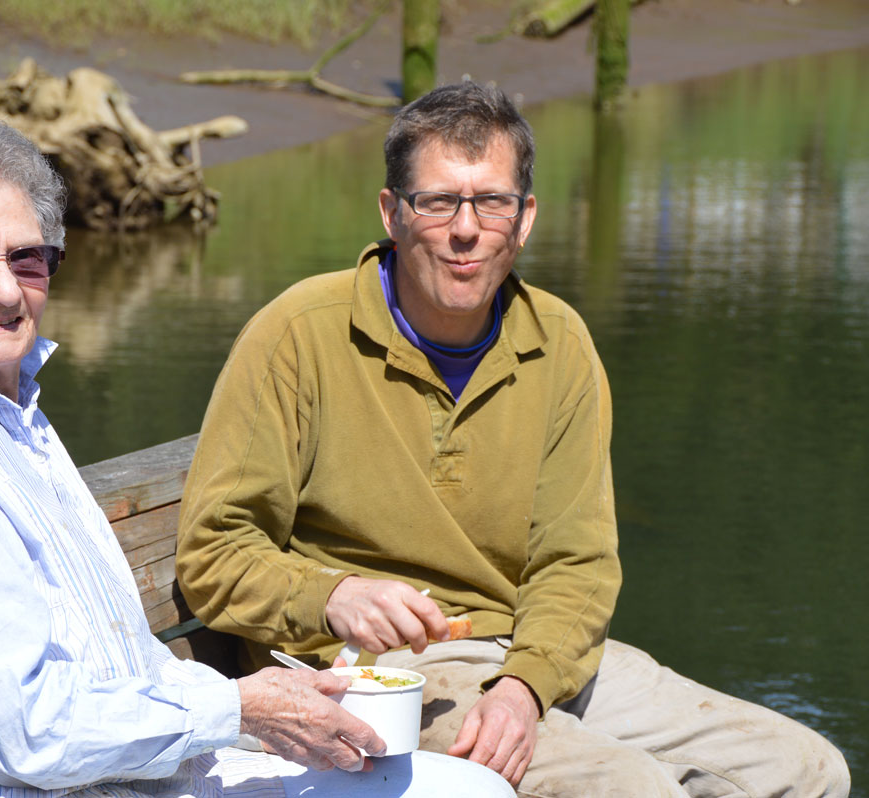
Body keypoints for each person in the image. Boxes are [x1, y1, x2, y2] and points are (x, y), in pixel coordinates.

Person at [0, 117, 515, 798]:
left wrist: (256, 709)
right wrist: (239, 709)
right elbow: (30, 733)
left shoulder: (4, 417)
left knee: (470, 786)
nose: (6, 290)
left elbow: (105, 676)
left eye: (30, 259)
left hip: (141, 776)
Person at [175, 81, 851, 797]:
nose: (465, 229)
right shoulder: (297, 333)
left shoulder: (559, 342)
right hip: (368, 675)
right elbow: (213, 550)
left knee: (805, 770)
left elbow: (578, 565)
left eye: (491, 201)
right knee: (631, 788)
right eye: (438, 201)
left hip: (527, 652)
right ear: (393, 212)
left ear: (524, 218)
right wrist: (330, 592)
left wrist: (526, 686)